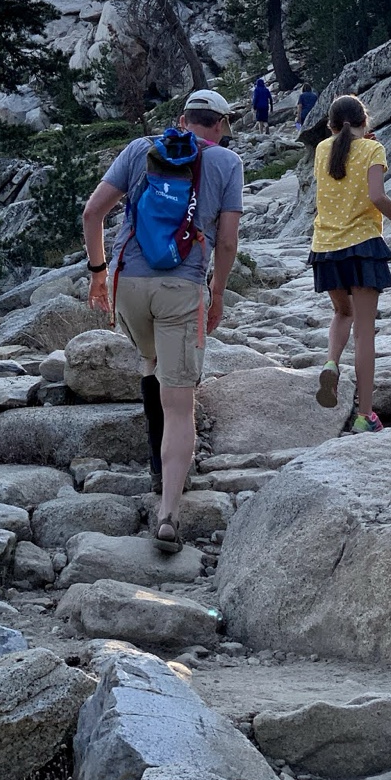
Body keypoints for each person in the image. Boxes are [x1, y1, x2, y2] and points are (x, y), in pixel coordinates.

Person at [82, 88, 243, 551]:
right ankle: (168, 512)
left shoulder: (140, 149)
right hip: (181, 287)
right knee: (179, 401)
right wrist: (217, 292)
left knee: (151, 362)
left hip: (128, 284)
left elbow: (92, 213)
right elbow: (227, 241)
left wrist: (97, 273)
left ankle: (156, 467)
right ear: (220, 126)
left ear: (183, 119)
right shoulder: (227, 163)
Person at [309, 94, 391, 433]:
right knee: (365, 333)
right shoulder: (373, 149)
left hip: (325, 247)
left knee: (343, 313)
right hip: (362, 246)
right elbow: (376, 196)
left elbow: (342, 152)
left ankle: (331, 363)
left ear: (330, 125)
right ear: (364, 121)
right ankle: (364, 415)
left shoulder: (322, 149)